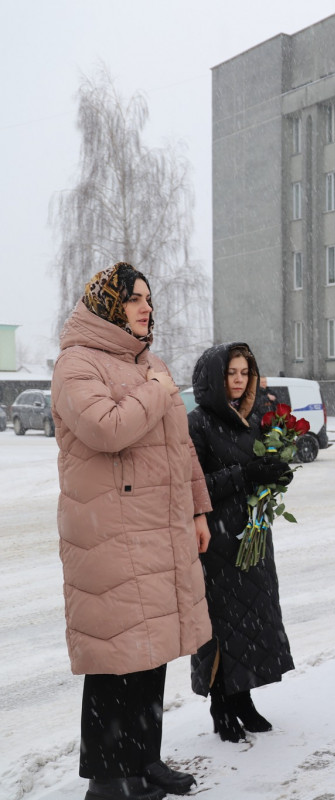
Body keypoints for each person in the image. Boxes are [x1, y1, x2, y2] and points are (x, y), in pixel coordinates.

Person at [51, 263, 212, 800]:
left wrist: (197, 509)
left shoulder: (150, 364)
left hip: (158, 528)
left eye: (148, 297)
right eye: (133, 299)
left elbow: (180, 447)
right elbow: (107, 428)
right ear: (105, 306)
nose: (146, 307)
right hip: (109, 532)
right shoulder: (77, 364)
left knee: (150, 651)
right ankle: (107, 775)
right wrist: (153, 389)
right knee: (115, 656)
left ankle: (144, 760)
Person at [187, 343, 296, 743]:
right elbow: (192, 488)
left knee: (252, 620)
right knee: (220, 627)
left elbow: (257, 468)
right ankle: (221, 704)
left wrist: (273, 474)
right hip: (215, 543)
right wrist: (244, 475)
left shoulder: (253, 421)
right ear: (214, 378)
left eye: (244, 373)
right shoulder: (196, 423)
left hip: (251, 536)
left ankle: (244, 699)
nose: (238, 380)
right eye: (231, 373)